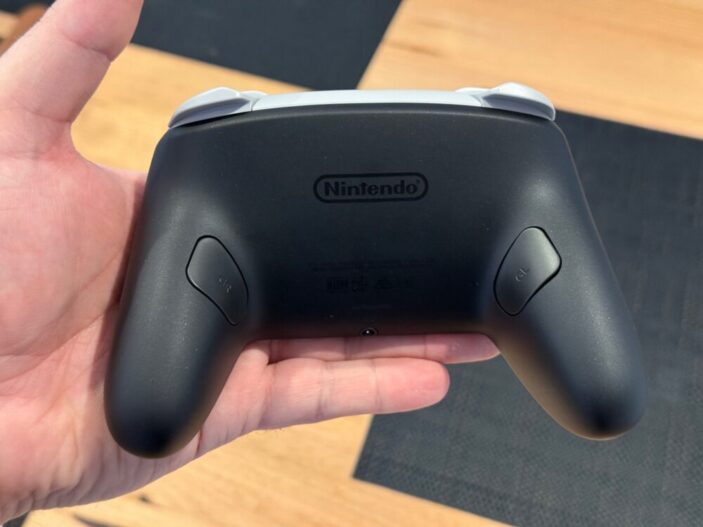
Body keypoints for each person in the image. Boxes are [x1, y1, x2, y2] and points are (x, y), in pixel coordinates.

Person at [0, 0, 498, 521]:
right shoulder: (201, 156)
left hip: (213, 177)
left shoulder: (204, 153)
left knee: (149, 416)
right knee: (149, 417)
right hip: (211, 179)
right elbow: (148, 419)